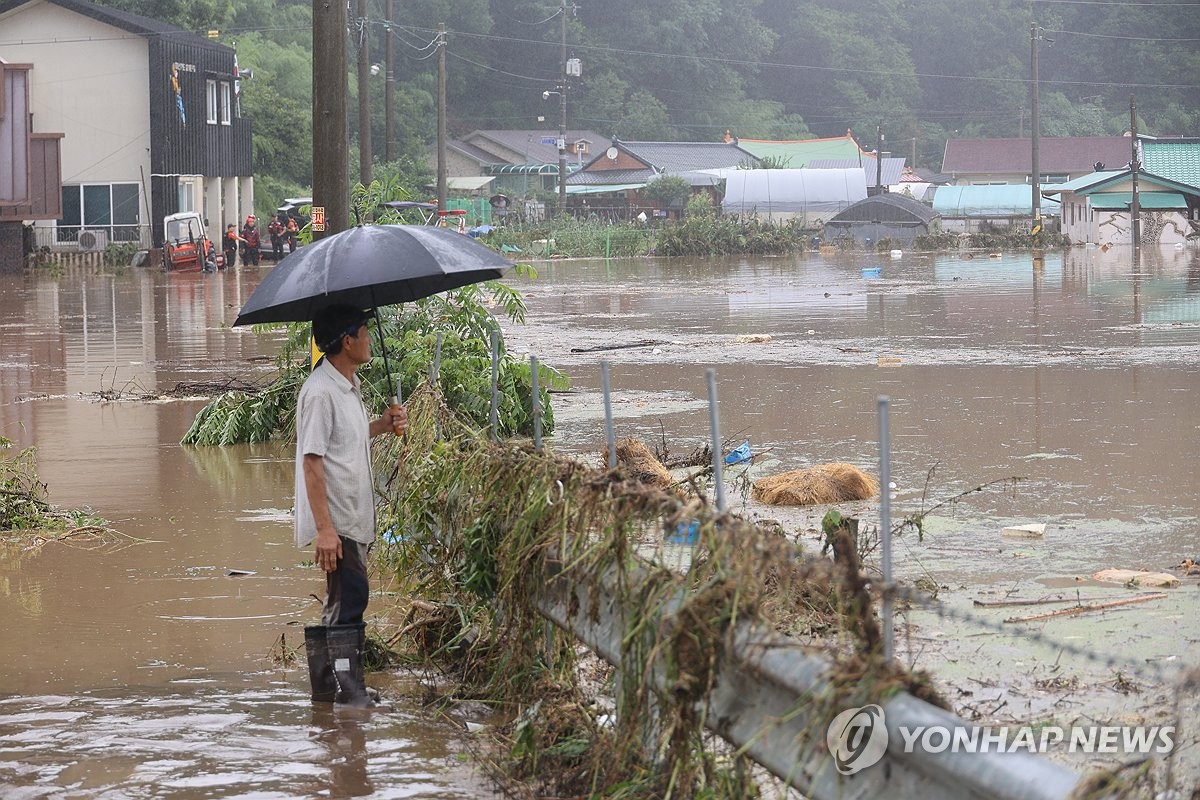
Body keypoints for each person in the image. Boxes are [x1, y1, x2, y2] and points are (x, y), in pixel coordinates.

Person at [297, 305, 407, 707]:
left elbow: (348, 441)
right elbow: (312, 461)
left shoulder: (347, 385)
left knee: (343, 601)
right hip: (338, 520)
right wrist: (325, 530)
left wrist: (382, 425)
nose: (369, 339)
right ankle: (350, 694)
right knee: (351, 601)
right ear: (347, 341)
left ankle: (329, 692)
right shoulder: (321, 392)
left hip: (349, 515)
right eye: (365, 331)